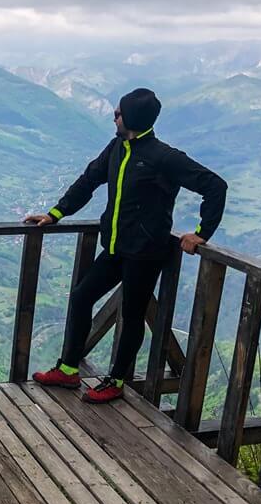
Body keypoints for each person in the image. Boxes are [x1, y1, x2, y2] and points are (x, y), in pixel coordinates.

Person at [23, 87, 227, 404]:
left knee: (131, 315)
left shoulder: (163, 157)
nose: (114, 116)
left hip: (146, 253)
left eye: (118, 112)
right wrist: (56, 213)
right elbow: (89, 179)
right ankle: (68, 370)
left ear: (130, 117)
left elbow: (215, 186)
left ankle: (116, 381)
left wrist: (201, 233)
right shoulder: (117, 147)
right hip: (117, 248)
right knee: (80, 297)